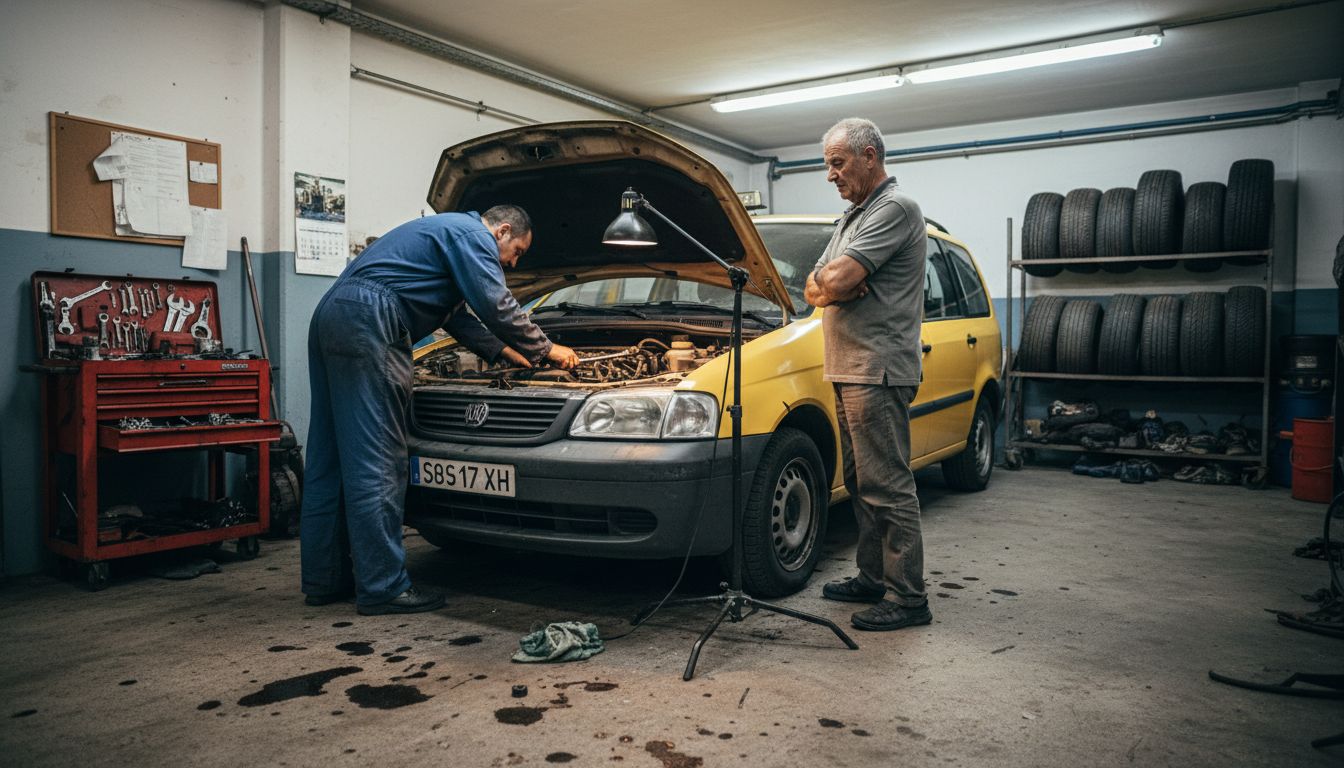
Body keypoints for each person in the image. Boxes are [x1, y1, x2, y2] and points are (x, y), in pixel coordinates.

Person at [301, 205, 578, 615]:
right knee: (379, 462)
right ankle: (383, 588)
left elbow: (457, 316)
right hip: (370, 321)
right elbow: (495, 302)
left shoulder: (443, 236)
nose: (514, 263)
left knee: (329, 459)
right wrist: (546, 347)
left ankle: (323, 580)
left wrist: (501, 351)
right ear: (502, 231)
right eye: (516, 252)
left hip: (334, 313)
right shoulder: (473, 236)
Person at [804, 118, 931, 632]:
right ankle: (871, 576)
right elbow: (814, 289)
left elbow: (832, 278)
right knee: (859, 482)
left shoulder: (895, 209)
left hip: (876, 370)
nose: (830, 175)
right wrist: (830, 286)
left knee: (888, 485)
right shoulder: (850, 219)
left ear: (870, 156)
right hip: (850, 367)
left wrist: (832, 283)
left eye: (838, 163)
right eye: (828, 164)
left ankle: (909, 598)